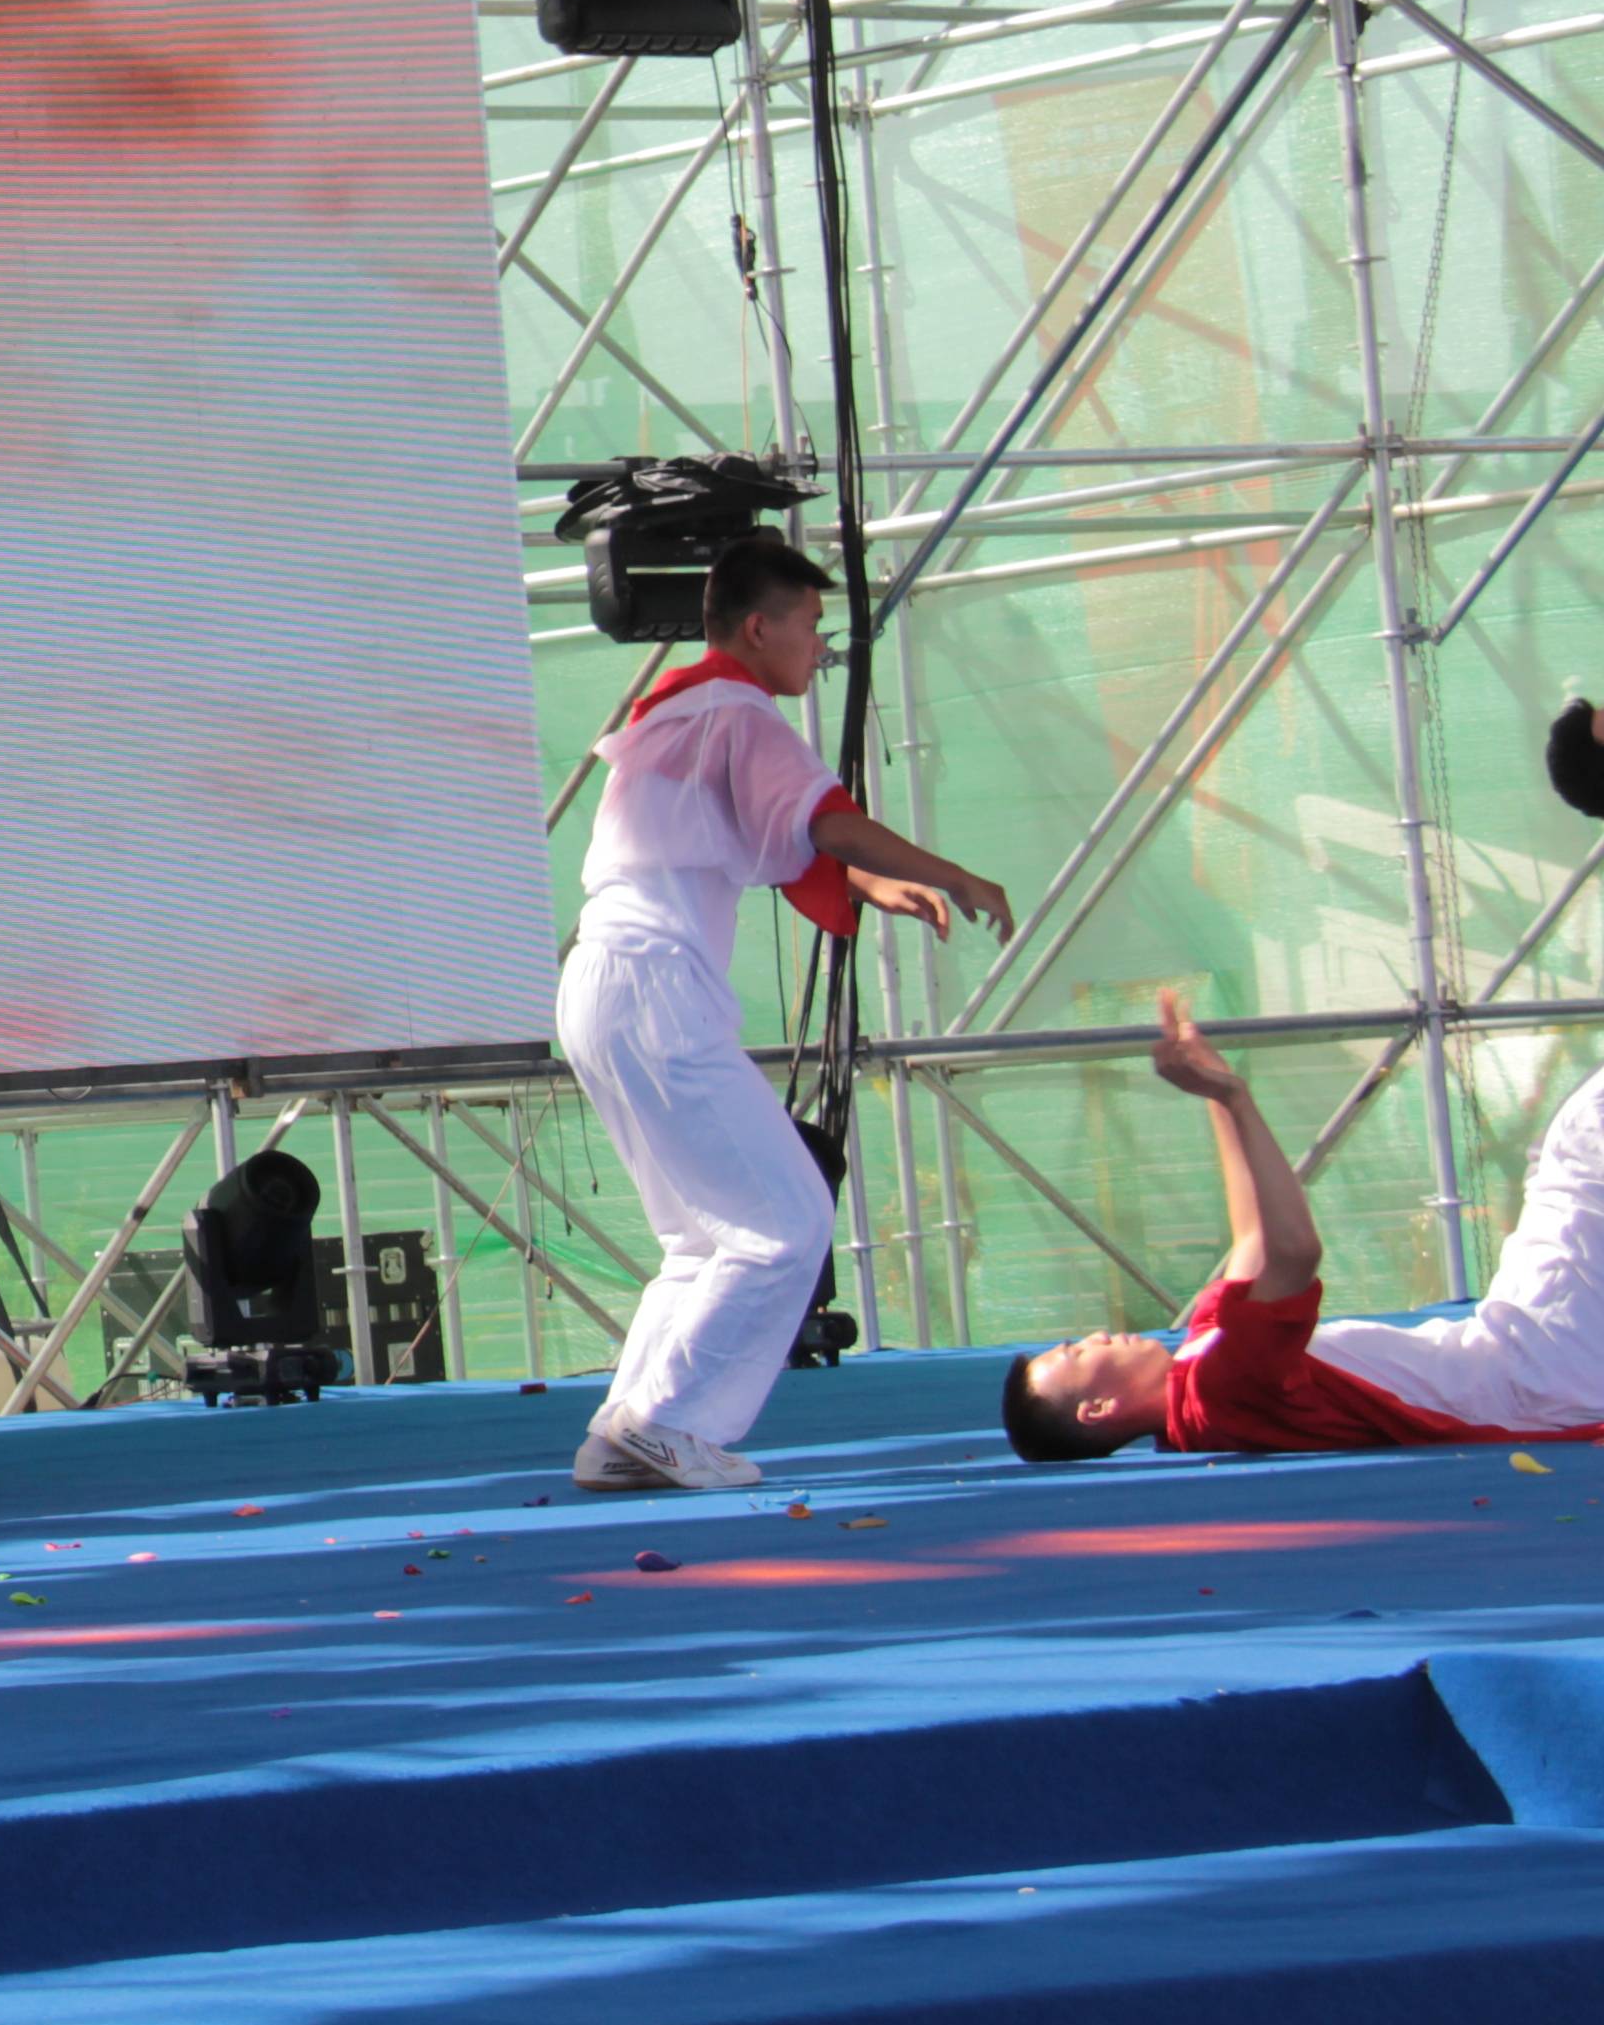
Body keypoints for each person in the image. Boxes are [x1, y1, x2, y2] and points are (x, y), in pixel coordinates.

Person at [564, 535, 1014, 1492]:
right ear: (760, 626)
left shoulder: (679, 709)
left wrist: (867, 884)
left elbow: (764, 835)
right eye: (811, 626)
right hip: (655, 990)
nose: (821, 647)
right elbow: (825, 821)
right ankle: (667, 1423)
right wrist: (951, 872)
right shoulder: (739, 711)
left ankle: (628, 1428)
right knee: (786, 1222)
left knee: (701, 1235)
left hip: (603, 982)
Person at [1005, 991, 1604, 1458]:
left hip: (1524, 1353)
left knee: (1566, 1158)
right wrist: (1235, 1097)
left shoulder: (1203, 1359)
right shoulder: (1219, 1391)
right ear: (1098, 1409)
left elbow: (1254, 1241)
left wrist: (1213, 1092)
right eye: (1077, 1353)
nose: (1095, 1336)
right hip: (1536, 1378)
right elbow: (1293, 1252)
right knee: (1583, 1137)